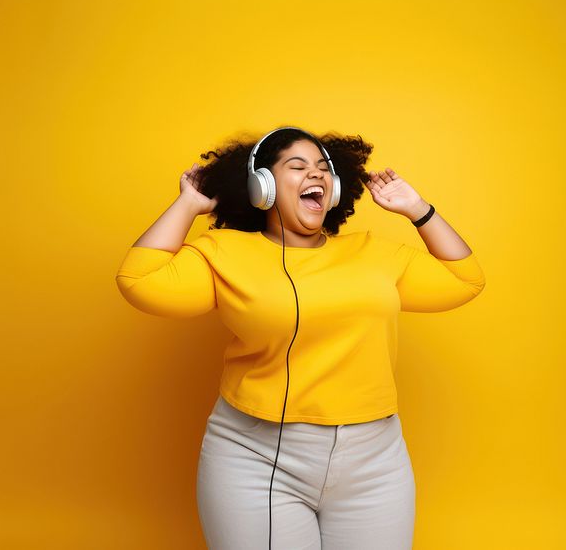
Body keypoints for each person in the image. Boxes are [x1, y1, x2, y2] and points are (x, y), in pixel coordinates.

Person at [114, 127, 486, 549]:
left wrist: (417, 209)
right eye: (298, 166)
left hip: (375, 458)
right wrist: (188, 204)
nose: (317, 175)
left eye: (325, 169)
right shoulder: (224, 252)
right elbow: (138, 281)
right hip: (257, 455)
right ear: (263, 186)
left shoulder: (375, 253)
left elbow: (465, 280)